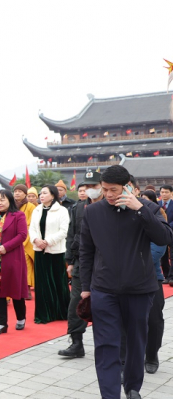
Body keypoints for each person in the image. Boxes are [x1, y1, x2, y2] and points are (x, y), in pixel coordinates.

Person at [80, 166, 173, 399]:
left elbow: (165, 238)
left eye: (114, 190)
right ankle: (110, 394)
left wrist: (140, 208)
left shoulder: (148, 208)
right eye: (105, 190)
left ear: (128, 187)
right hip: (103, 289)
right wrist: (84, 288)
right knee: (106, 345)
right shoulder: (93, 212)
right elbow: (86, 252)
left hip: (140, 289)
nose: (109, 195)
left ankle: (132, 387)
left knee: (136, 342)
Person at [58, 170, 103, 358]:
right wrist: (69, 260)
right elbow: (71, 234)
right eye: (87, 186)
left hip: (104, 262)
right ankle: (76, 342)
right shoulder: (78, 207)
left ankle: (106, 345)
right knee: (76, 301)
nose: (90, 190)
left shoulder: (110, 206)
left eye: (94, 186)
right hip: (81, 262)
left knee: (103, 303)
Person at [0, 190, 28, 334]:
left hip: (13, 257)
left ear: (10, 201)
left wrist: (5, 247)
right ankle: (1, 323)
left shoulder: (18, 215)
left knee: (16, 288)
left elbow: (22, 235)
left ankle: (21, 318)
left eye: (2, 200)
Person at [30, 185, 70, 324]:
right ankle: (44, 314)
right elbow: (32, 228)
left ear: (53, 195)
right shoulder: (36, 210)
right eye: (40, 193)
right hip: (39, 251)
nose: (41, 195)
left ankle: (61, 312)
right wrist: (36, 240)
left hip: (56, 251)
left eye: (45, 193)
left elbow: (64, 231)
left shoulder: (62, 210)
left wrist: (47, 241)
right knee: (42, 284)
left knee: (58, 282)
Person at [136, 190, 166, 374]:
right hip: (127, 278)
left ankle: (152, 354)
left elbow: (159, 247)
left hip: (151, 276)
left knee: (154, 319)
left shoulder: (156, 214)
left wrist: (137, 262)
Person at [12, 184, 35, 300]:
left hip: (26, 240)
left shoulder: (30, 207)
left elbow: (32, 225)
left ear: (25, 194)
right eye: (15, 191)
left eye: (20, 191)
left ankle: (27, 288)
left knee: (26, 264)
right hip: (11, 240)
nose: (17, 193)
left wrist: (23, 240)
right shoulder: (11, 206)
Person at [158, 184, 173, 283]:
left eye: (166, 192)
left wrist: (167, 226)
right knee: (162, 255)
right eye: (162, 192)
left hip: (172, 231)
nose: (164, 194)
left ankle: (171, 276)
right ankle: (166, 275)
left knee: (172, 255)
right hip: (160, 232)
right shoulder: (157, 204)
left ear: (171, 193)